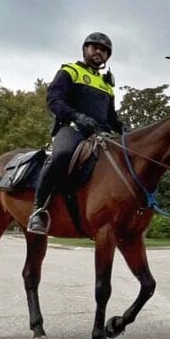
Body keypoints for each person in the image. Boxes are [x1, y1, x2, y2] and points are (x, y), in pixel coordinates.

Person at [27, 32, 125, 235]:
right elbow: (54, 100)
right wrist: (78, 117)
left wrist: (125, 129)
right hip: (72, 128)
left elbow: (111, 118)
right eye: (95, 47)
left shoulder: (106, 85)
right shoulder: (70, 71)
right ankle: (38, 210)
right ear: (85, 50)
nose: (99, 51)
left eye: (104, 50)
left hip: (101, 134)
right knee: (61, 155)